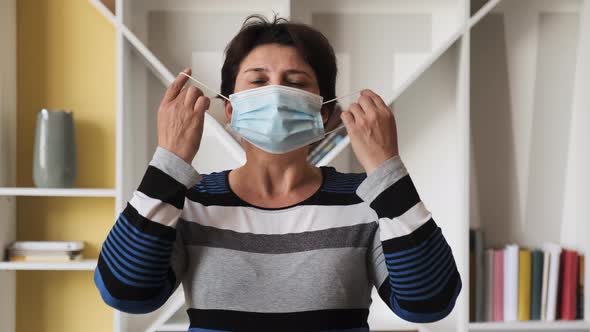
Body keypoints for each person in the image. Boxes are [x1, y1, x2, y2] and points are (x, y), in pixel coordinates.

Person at [94, 15, 462, 332]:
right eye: (257, 81)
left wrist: (386, 170)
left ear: (323, 112)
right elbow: (126, 292)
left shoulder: (366, 200)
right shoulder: (189, 201)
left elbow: (428, 302)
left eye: (296, 82)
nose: (276, 94)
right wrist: (170, 161)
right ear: (230, 110)